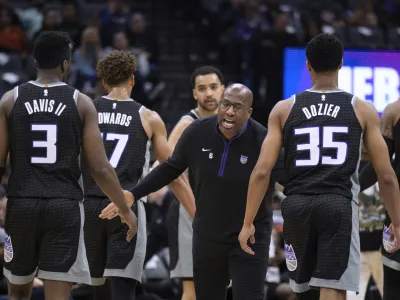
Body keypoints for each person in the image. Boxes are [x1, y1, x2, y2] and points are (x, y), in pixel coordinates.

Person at [238, 33, 400, 300]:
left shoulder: (283, 108)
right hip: (337, 204)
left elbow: (261, 172)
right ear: (341, 64)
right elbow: (386, 174)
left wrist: (247, 223)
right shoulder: (362, 109)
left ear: (308, 65)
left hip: (296, 205)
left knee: (305, 292)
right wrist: (396, 220)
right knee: (332, 289)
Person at [101, 83, 286, 300]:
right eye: (225, 104)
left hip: (250, 235)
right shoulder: (197, 132)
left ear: (249, 112)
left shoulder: (262, 140)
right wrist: (134, 193)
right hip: (208, 233)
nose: (229, 111)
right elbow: (170, 168)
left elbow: (289, 179)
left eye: (237, 107)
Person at [0, 31, 137, 300]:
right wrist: (124, 208)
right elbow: (100, 169)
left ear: (34, 61)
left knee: (17, 293)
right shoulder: (81, 102)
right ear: (66, 63)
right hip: (64, 207)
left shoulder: (10, 100)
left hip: (21, 205)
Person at [81, 50, 195, 300]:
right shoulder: (149, 117)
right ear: (133, 79)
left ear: (104, 82)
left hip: (89, 207)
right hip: (127, 207)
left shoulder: (86, 110)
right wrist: (197, 214)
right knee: (123, 291)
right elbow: (173, 173)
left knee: (98, 292)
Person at [165, 65, 225, 300]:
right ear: (194, 94)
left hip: (222, 213)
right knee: (192, 291)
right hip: (188, 213)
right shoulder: (186, 124)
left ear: (223, 89)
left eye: (213, 87)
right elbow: (166, 169)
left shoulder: (233, 122)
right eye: (202, 89)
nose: (208, 93)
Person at [356, 98, 400, 300]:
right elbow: (378, 166)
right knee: (392, 283)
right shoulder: (394, 111)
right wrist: (347, 188)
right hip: (397, 214)